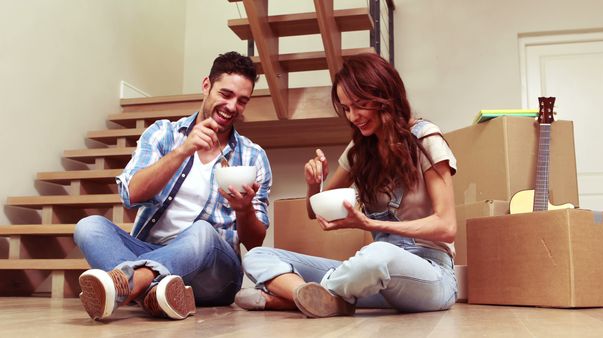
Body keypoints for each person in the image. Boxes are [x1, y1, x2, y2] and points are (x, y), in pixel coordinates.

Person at [235, 53, 458, 318]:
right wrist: (313, 186)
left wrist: (371, 225)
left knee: (377, 255)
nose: (353, 117)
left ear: (384, 96)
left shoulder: (426, 138)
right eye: (346, 108)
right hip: (374, 274)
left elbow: (446, 227)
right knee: (257, 256)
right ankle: (315, 298)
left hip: (432, 275)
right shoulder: (361, 149)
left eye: (359, 105)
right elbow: (314, 211)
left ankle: (300, 297)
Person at [74, 51, 272, 321]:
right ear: (206, 86)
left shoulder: (253, 157)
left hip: (213, 271)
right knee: (89, 227)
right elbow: (131, 194)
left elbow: (255, 241)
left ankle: (131, 283)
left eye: (242, 101)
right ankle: (157, 294)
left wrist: (244, 209)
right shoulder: (163, 134)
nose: (232, 106)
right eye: (225, 94)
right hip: (151, 248)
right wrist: (183, 150)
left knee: (202, 231)